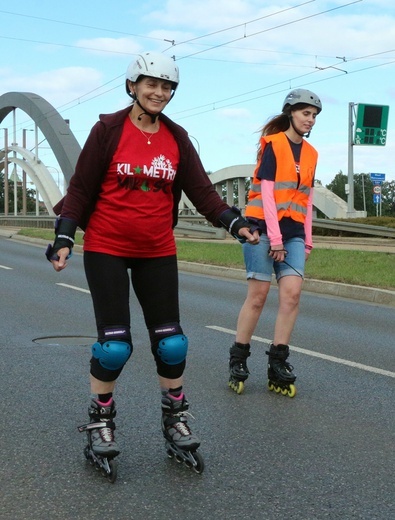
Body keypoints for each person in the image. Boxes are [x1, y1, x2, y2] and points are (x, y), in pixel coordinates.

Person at [46, 51, 260, 469]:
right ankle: (101, 421)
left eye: (167, 87)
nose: (159, 92)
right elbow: (81, 189)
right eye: (151, 84)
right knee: (114, 347)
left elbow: (203, 192)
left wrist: (235, 224)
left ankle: (176, 420)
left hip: (157, 249)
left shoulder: (176, 137)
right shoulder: (107, 129)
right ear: (132, 86)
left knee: (172, 341)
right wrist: (64, 237)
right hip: (107, 246)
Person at [228, 88, 322, 397]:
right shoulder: (273, 145)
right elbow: (267, 194)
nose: (310, 119)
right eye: (305, 113)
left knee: (292, 296)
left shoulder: (311, 154)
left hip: (294, 233)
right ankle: (238, 358)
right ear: (290, 113)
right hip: (262, 229)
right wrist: (276, 239)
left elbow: (306, 200)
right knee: (258, 296)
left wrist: (306, 240)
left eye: (314, 115)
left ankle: (278, 362)